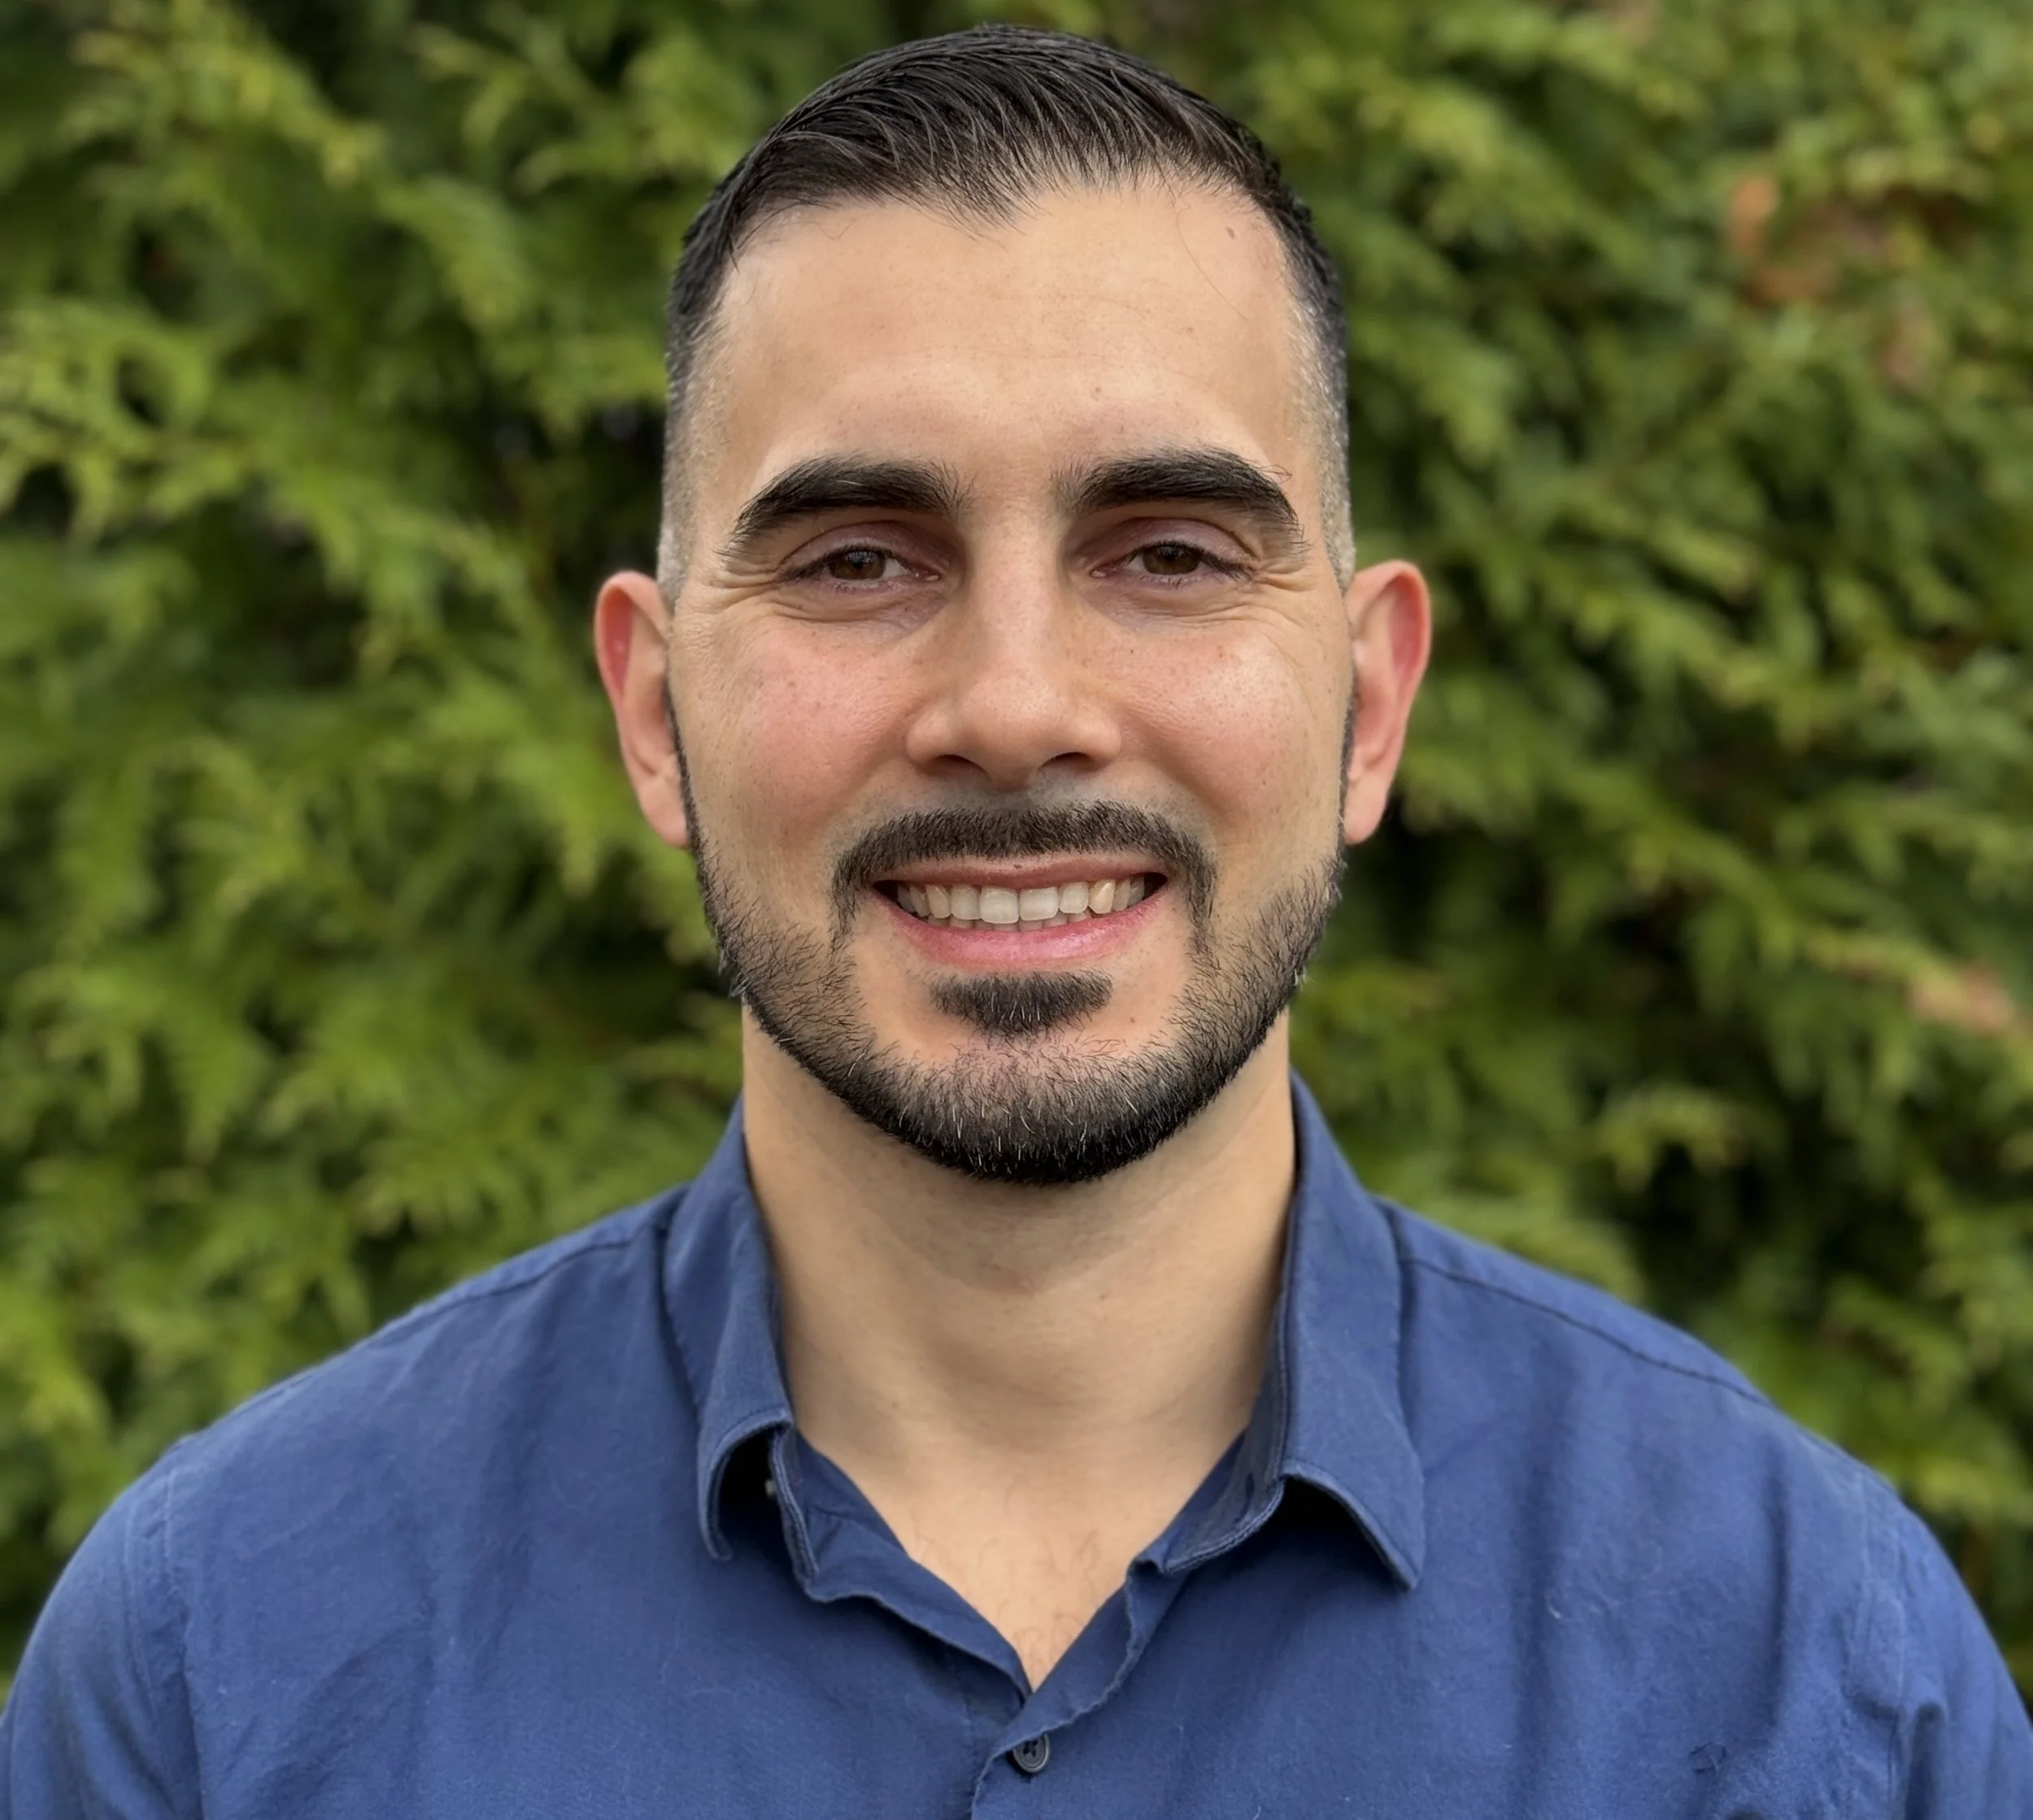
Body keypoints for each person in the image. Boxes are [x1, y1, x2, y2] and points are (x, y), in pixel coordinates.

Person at [4, 24, 2027, 1818]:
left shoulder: (1804, 1680)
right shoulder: (221, 1674)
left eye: (1163, 550)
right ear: (650, 713)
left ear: (1369, 703)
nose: (1015, 708)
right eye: (860, 557)